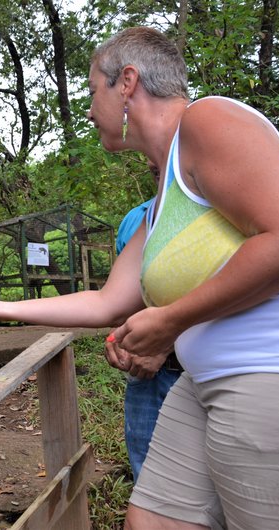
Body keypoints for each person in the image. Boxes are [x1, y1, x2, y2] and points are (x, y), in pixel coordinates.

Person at [0, 26, 279, 530]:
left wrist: (170, 321)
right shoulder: (160, 202)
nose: (87, 110)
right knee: (152, 520)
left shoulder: (208, 120)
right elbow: (107, 302)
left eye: (91, 92)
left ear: (126, 82)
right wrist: (0, 310)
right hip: (212, 381)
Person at [115, 193, 183, 485]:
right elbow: (121, 298)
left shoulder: (228, 205)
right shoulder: (137, 218)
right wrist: (119, 338)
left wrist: (165, 345)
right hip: (145, 373)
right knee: (147, 474)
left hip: (198, 368)